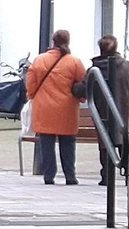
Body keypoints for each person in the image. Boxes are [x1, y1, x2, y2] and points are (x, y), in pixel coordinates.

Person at [24, 29, 88, 186]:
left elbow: (30, 83)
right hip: (67, 109)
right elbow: (83, 84)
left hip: (44, 108)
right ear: (68, 41)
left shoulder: (39, 60)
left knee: (46, 143)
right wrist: (80, 98)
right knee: (68, 143)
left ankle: (48, 176)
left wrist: (32, 95)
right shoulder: (74, 62)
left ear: (53, 41)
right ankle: (70, 176)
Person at [90, 34, 129, 188]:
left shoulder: (94, 70)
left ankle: (106, 176)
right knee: (123, 141)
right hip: (123, 110)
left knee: (105, 143)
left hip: (102, 111)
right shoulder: (127, 66)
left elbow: (83, 89)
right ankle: (128, 173)